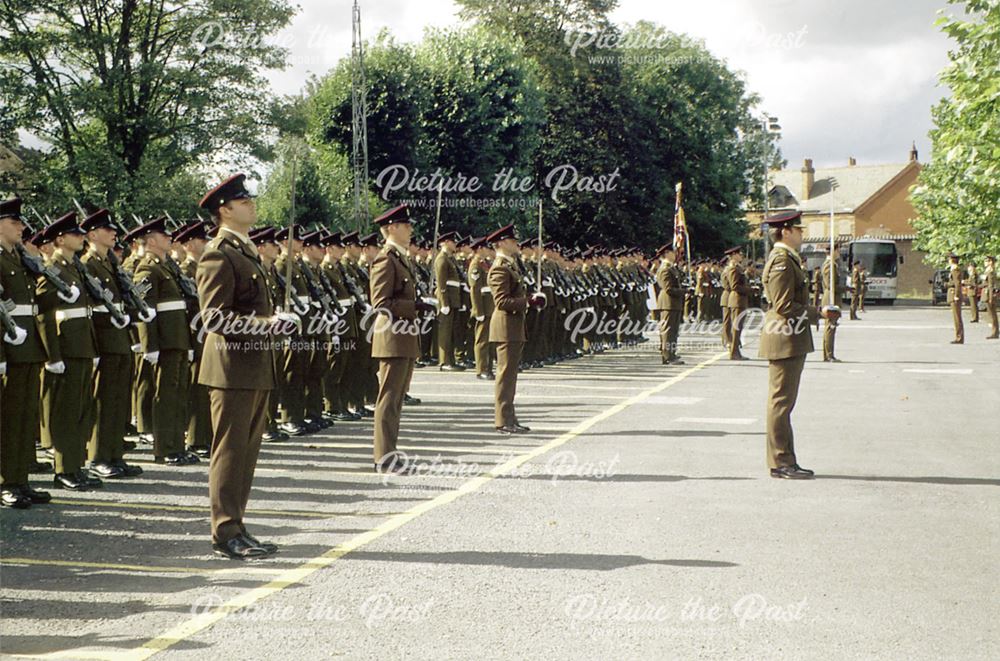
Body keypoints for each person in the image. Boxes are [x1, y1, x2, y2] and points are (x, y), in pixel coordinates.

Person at [197, 173, 290, 560]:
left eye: (249, 198)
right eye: (243, 200)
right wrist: (265, 325)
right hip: (231, 368)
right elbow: (214, 318)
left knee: (246, 452)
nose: (251, 204)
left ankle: (237, 523)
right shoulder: (219, 253)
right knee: (230, 450)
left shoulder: (246, 251)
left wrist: (275, 322)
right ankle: (224, 530)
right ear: (225, 210)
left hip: (253, 365)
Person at [758, 211, 835, 479]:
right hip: (784, 335)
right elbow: (783, 304)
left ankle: (785, 459)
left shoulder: (787, 259)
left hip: (790, 335)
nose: (802, 234)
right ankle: (781, 462)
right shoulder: (781, 260)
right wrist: (818, 313)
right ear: (786, 231)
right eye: (799, 230)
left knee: (784, 403)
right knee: (780, 403)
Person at [36, 212, 101, 490]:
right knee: (66, 413)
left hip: (82, 345)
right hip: (66, 347)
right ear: (60, 239)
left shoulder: (74, 267)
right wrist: (53, 355)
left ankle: (76, 466)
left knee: (80, 410)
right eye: (75, 234)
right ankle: (64, 469)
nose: (81, 237)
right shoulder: (52, 268)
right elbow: (42, 311)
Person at [0, 198, 53, 507]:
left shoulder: (19, 259)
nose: (21, 227)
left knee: (23, 417)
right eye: (14, 222)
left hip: (28, 346)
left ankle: (20, 479)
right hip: (8, 347)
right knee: (7, 419)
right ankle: (6, 481)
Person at [369, 204, 430, 472]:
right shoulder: (386, 259)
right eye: (406, 225)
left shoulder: (400, 258)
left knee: (396, 400)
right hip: (392, 336)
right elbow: (380, 303)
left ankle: (390, 452)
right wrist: (416, 307)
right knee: (389, 399)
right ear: (391, 228)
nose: (410, 229)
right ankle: (383, 456)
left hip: (403, 336)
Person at [487, 224, 546, 434]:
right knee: (505, 375)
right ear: (502, 243)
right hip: (505, 326)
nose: (516, 244)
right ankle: (503, 420)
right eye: (512, 241)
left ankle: (510, 418)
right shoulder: (500, 268)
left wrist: (530, 299)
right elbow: (502, 301)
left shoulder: (510, 265)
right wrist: (528, 301)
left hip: (513, 326)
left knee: (510, 375)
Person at [655, 245, 685, 365]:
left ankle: (671, 353)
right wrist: (684, 292)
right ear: (667, 253)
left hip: (673, 303)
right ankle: (667, 356)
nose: (675, 254)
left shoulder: (671, 268)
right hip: (668, 302)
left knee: (673, 330)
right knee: (668, 330)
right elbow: (668, 288)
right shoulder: (665, 269)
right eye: (673, 252)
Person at [722, 246, 750, 360]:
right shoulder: (733, 269)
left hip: (738, 299)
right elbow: (735, 286)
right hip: (737, 299)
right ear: (733, 255)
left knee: (737, 327)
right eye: (739, 254)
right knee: (736, 327)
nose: (741, 256)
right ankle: (734, 352)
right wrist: (750, 289)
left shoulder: (737, 268)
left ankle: (735, 350)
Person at [819, 244, 845, 362]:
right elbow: (831, 285)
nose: (839, 252)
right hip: (831, 298)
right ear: (833, 251)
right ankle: (829, 355)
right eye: (838, 250)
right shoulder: (830, 265)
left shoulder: (833, 264)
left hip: (832, 296)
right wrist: (846, 289)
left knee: (831, 326)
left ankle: (829, 354)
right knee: (830, 326)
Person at [947, 253, 964, 344]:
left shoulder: (955, 269)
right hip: (953, 294)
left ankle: (959, 337)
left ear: (952, 260)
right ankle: (958, 336)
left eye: (949, 259)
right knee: (956, 317)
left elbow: (957, 283)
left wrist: (956, 295)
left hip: (954, 294)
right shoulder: (953, 269)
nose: (948, 261)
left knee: (957, 318)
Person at [983, 256, 998, 339]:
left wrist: (991, 298)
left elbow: (991, 286)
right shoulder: (988, 272)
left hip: (990, 295)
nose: (985, 262)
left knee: (992, 314)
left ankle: (994, 332)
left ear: (990, 262)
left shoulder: (991, 272)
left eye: (987, 261)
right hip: (988, 294)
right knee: (991, 314)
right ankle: (995, 331)